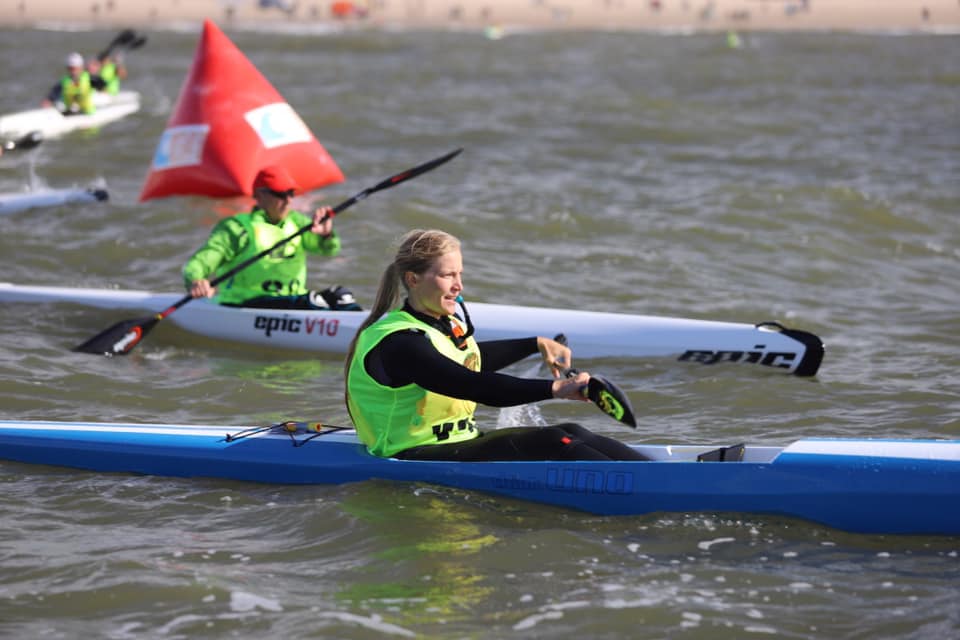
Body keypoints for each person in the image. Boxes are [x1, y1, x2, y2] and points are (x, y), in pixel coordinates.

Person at [344, 229, 648, 461]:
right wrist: (555, 389)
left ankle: (657, 469)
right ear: (413, 279)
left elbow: (467, 360)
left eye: (460, 274)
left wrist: (534, 344)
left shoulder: (439, 325)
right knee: (556, 441)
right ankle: (654, 488)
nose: (459, 286)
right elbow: (471, 384)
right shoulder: (400, 342)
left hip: (458, 443)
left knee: (572, 431)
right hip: (411, 455)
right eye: (448, 275)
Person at [183, 165, 361, 311]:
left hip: (292, 302)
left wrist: (326, 235)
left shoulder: (297, 222)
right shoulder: (237, 229)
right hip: (246, 304)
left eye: (291, 193)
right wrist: (197, 281)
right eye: (281, 194)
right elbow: (198, 264)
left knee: (341, 295)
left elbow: (329, 250)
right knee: (312, 302)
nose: (288, 200)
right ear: (259, 196)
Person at [41, 52, 105, 115]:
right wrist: (48, 100)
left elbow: (102, 84)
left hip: (86, 113)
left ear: (81, 68)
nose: (73, 71)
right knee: (58, 104)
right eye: (70, 68)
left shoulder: (90, 78)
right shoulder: (64, 81)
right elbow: (54, 93)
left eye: (75, 68)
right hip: (69, 112)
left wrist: (95, 71)